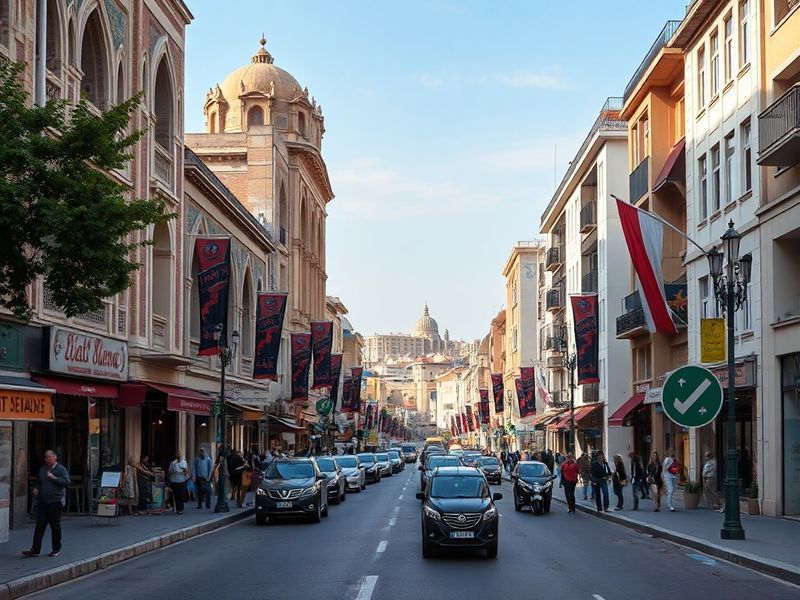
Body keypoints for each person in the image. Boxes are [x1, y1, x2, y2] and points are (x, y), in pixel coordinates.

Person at [23, 450, 70, 557]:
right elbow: (38, 482)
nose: (47, 459)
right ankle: (35, 549)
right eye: (45, 457)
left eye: (49, 457)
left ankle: (56, 549)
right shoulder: (43, 469)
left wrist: (54, 478)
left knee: (55, 527)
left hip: (55, 502)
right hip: (43, 502)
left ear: (55, 457)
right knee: (39, 525)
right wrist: (36, 488)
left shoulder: (61, 469)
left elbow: (66, 482)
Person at [168, 450, 189, 514]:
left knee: (181, 495)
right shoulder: (173, 463)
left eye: (180, 454)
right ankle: (177, 508)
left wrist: (185, 471)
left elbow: (186, 471)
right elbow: (169, 471)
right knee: (176, 495)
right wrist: (172, 472)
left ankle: (181, 509)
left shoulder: (184, 462)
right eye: (177, 454)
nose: (179, 456)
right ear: (176, 456)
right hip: (174, 480)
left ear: (181, 456)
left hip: (182, 480)